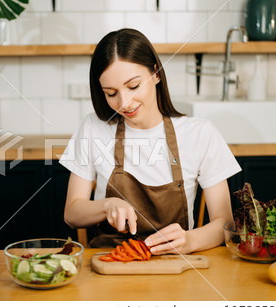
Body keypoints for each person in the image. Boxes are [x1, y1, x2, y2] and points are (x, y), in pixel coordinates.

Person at [59, 28, 241, 254]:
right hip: (109, 266)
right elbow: (72, 213)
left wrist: (190, 240)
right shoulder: (93, 128)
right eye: (111, 93)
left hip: (177, 269)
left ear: (156, 73)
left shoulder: (200, 133)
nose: (124, 103)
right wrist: (106, 206)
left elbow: (225, 223)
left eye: (133, 86)